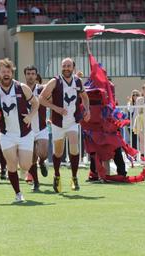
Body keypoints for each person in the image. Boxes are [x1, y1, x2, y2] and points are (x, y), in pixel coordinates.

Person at [0, 58, 39, 202]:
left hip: (25, 133)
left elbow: (35, 103)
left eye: (8, 71)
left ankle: (25, 171)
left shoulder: (22, 87)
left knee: (25, 165)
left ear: (12, 73)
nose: (6, 74)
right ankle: (18, 194)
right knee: (11, 164)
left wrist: (30, 116)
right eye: (3, 72)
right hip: (6, 134)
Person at [39, 58, 90, 193]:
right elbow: (41, 98)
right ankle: (57, 175)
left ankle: (74, 177)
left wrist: (87, 110)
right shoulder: (55, 81)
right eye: (64, 66)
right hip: (58, 122)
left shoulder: (78, 81)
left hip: (72, 121)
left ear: (73, 67)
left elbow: (85, 97)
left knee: (74, 146)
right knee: (58, 151)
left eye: (68, 66)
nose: (66, 68)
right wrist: (55, 108)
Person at [23, 65, 48, 191]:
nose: (31, 76)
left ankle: (42, 162)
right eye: (28, 73)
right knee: (31, 158)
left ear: (36, 75)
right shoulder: (20, 90)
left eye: (33, 73)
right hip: (27, 129)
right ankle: (36, 183)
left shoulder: (42, 89)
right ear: (25, 75)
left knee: (43, 153)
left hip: (41, 127)